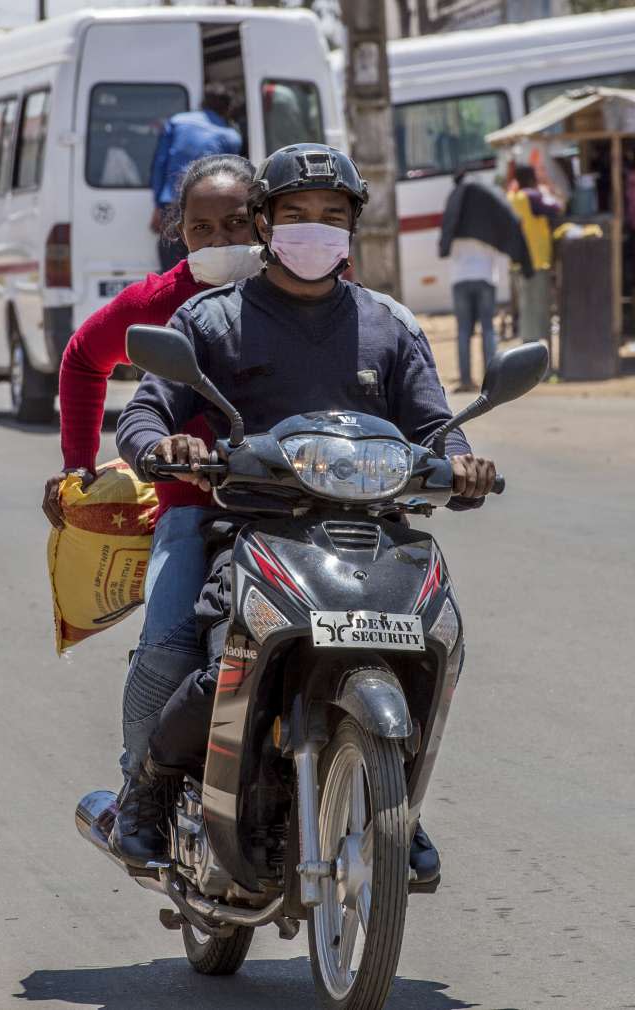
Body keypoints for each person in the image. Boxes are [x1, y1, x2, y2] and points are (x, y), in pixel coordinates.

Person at [113, 143, 497, 880]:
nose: (315, 230)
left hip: (374, 535)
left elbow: (434, 427)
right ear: (264, 223)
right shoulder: (211, 319)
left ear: (352, 229)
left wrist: (465, 463)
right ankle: (151, 791)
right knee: (219, 661)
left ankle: (395, 802)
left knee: (424, 645)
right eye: (296, 215)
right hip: (254, 530)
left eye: (332, 217)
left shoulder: (390, 326)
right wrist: (164, 444)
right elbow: (147, 412)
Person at [43, 153, 261, 780]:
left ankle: (394, 805)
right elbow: (83, 358)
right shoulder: (164, 302)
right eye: (203, 230)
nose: (222, 242)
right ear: (181, 233)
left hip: (304, 502)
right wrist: (76, 468)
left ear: (268, 222)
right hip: (194, 511)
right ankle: (140, 784)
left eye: (239, 224)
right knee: (168, 648)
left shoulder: (308, 289)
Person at [439, 169, 533, 392]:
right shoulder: (488, 220)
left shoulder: (456, 214)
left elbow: (446, 245)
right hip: (485, 279)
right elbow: (506, 231)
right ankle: (493, 382)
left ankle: (465, 380)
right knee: (488, 330)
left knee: (463, 331)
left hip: (460, 280)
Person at [150, 84, 242, 271]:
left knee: (172, 270)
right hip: (210, 210)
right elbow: (232, 177)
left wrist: (158, 206)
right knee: (210, 270)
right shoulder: (231, 137)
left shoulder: (177, 122)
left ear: (203, 102)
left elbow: (159, 164)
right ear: (228, 109)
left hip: (172, 205)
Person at [507, 164, 561, 344]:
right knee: (539, 312)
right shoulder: (532, 196)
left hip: (517, 264)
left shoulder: (512, 198)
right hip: (536, 262)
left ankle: (528, 355)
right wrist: (547, 190)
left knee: (526, 311)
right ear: (531, 179)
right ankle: (541, 362)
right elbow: (556, 207)